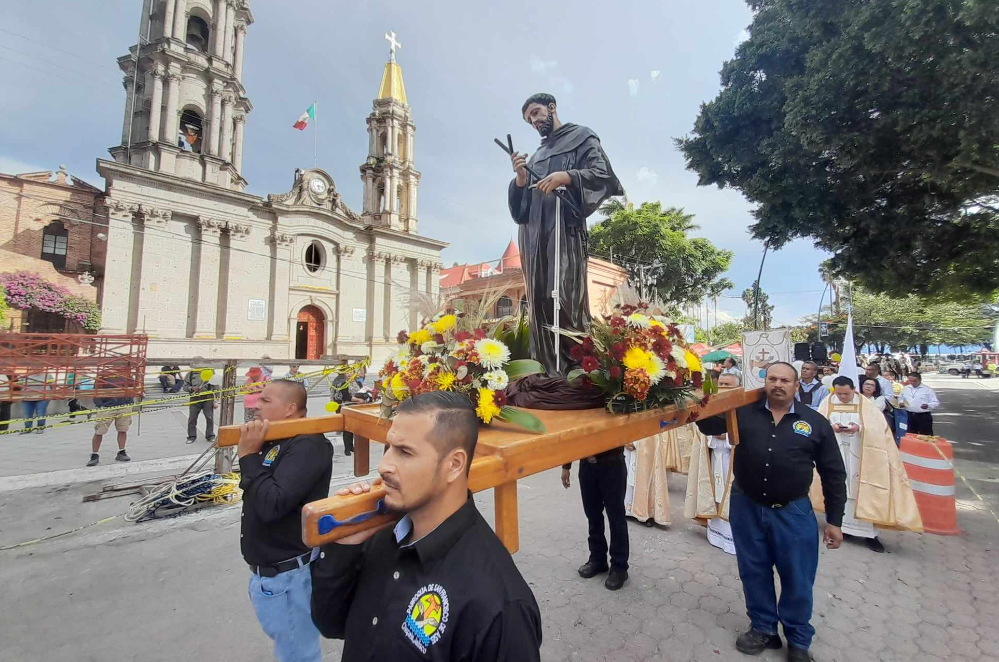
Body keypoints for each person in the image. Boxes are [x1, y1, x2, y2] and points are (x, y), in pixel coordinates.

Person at [311, 392, 543, 660]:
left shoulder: (499, 603)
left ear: (454, 465)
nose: (384, 466)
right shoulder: (379, 535)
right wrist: (343, 547)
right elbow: (331, 623)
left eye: (405, 452)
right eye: (388, 448)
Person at [696, 362, 846, 662]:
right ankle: (763, 628)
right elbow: (707, 424)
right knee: (753, 570)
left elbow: (833, 473)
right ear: (765, 382)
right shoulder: (742, 411)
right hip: (747, 506)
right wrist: (704, 395)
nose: (778, 384)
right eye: (772, 378)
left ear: (796, 385)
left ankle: (798, 639)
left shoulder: (814, 422)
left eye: (785, 380)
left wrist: (834, 521)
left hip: (792, 512)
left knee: (797, 577)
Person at [508, 92, 623, 375]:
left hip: (563, 232)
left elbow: (603, 175)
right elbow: (519, 212)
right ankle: (546, 372)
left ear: (552, 107)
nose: (533, 121)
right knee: (540, 301)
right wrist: (521, 179)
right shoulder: (536, 156)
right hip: (534, 235)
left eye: (535, 113)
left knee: (563, 296)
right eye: (528, 119)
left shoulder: (582, 137)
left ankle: (574, 371)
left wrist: (567, 176)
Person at [238, 379, 333, 662]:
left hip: (288, 576)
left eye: (266, 401)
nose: (256, 405)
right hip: (271, 576)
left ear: (291, 408)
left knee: (298, 655)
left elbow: (272, 504)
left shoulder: (308, 444)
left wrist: (249, 455)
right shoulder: (277, 438)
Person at [815, 376, 922, 552]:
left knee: (860, 491)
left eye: (846, 394)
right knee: (841, 490)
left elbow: (880, 429)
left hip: (861, 455)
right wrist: (830, 427)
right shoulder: (828, 401)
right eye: (839, 393)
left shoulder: (865, 404)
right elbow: (818, 424)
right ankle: (843, 527)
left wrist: (859, 428)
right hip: (836, 453)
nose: (842, 397)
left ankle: (869, 535)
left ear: (854, 390)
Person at [684, 372, 742, 555]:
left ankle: (733, 538)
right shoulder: (712, 405)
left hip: (733, 462)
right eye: (722, 383)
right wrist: (712, 437)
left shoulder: (744, 408)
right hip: (714, 457)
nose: (724, 387)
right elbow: (700, 432)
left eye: (728, 384)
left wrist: (726, 437)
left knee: (731, 497)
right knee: (715, 493)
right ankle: (715, 532)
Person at [561, 439, 630, 590]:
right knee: (592, 514)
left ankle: (619, 567)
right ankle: (598, 559)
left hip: (612, 464)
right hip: (587, 466)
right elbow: (573, 434)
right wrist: (566, 466)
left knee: (616, 517)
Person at [87, 366, 135, 467]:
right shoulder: (103, 374)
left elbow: (132, 386)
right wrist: (100, 404)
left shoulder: (126, 373)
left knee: (123, 429)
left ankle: (122, 451)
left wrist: (130, 401)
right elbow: (96, 389)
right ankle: (95, 454)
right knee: (100, 431)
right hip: (107, 406)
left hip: (124, 405)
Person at [330, 366, 371, 457]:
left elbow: (362, 393)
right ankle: (347, 448)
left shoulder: (358, 383)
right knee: (347, 428)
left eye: (351, 372)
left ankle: (352, 446)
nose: (349, 374)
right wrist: (358, 400)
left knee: (354, 428)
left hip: (356, 408)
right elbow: (346, 397)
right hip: (347, 407)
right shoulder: (343, 384)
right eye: (347, 372)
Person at [184, 368, 218, 444]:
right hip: (194, 398)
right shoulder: (191, 373)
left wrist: (216, 400)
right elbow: (185, 386)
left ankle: (210, 436)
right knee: (192, 418)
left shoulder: (210, 371)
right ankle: (191, 436)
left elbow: (216, 386)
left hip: (208, 398)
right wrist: (192, 388)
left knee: (209, 417)